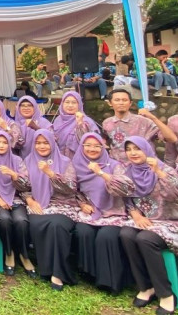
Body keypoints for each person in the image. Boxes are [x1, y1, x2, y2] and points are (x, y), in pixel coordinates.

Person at [120, 136, 178, 314]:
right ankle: (146, 287)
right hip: (144, 220)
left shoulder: (164, 169)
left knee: (146, 239)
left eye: (137, 148)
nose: (133, 153)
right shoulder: (128, 172)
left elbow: (175, 195)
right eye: (129, 149)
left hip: (170, 221)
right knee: (126, 235)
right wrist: (135, 213)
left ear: (147, 149)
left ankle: (166, 294)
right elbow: (127, 198)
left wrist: (159, 174)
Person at [73, 133, 134, 294]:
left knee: (105, 236)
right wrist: (82, 204)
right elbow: (74, 190)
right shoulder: (77, 165)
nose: (92, 149)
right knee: (83, 231)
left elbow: (125, 188)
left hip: (114, 212)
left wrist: (101, 173)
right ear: (82, 147)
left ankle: (110, 281)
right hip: (90, 211)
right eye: (88, 145)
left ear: (103, 147)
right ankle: (89, 274)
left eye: (96, 146)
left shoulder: (115, 165)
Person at [24, 129, 78, 291]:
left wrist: (50, 174)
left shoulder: (65, 161)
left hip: (62, 204)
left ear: (52, 143)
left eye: (45, 142)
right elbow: (22, 185)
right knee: (35, 223)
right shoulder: (27, 161)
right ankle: (46, 269)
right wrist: (29, 199)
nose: (42, 146)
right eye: (38, 143)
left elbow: (71, 187)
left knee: (57, 225)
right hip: (37, 203)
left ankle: (58, 273)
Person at [0, 130, 36, 278]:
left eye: (5, 142)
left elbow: (26, 185)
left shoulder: (17, 161)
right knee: (4, 220)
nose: (1, 145)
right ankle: (9, 252)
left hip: (16, 198)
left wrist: (14, 175)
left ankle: (24, 255)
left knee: (21, 221)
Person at [101, 89, 176, 163]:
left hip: (145, 166)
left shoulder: (144, 121)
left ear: (130, 103)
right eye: (117, 100)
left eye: (124, 100)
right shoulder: (107, 123)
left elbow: (172, 139)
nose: (121, 103)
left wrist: (153, 118)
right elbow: (105, 141)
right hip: (118, 168)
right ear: (110, 103)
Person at [52, 91, 99, 159]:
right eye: (67, 102)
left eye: (74, 102)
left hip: (80, 159)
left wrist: (80, 124)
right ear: (62, 104)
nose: (70, 105)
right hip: (59, 159)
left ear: (79, 104)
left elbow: (90, 142)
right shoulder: (58, 120)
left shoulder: (86, 121)